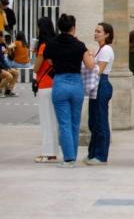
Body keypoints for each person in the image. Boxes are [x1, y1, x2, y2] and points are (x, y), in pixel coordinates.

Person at [43, 14, 95, 168]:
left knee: (64, 123)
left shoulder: (52, 44)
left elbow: (49, 61)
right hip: (76, 83)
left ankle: (69, 158)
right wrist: (90, 54)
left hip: (59, 82)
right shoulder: (79, 45)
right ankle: (73, 155)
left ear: (59, 27)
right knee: (75, 122)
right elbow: (90, 65)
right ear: (73, 27)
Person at [85, 22, 115, 165]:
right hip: (97, 84)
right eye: (95, 30)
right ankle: (92, 153)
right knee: (94, 120)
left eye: (99, 31)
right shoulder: (100, 49)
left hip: (102, 83)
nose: (96, 33)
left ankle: (101, 155)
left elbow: (99, 70)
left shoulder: (106, 50)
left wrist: (89, 58)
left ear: (107, 34)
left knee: (101, 120)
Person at [32, 17, 59, 163]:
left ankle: (48, 152)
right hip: (54, 83)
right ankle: (53, 151)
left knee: (46, 120)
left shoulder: (43, 46)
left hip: (44, 84)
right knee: (53, 119)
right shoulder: (55, 43)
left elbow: (36, 67)